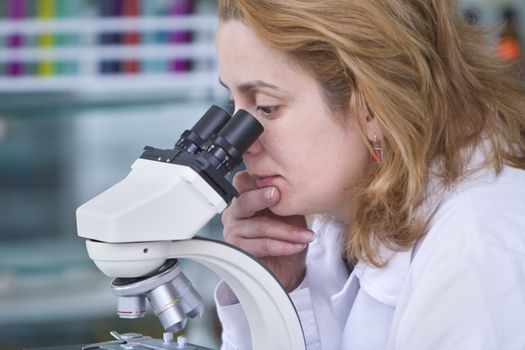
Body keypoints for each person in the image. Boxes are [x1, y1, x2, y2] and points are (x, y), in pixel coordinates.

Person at [213, 0, 525, 349]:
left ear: (374, 106)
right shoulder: (343, 224)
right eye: (232, 105)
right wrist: (274, 293)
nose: (239, 144)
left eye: (267, 107)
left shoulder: (476, 252)